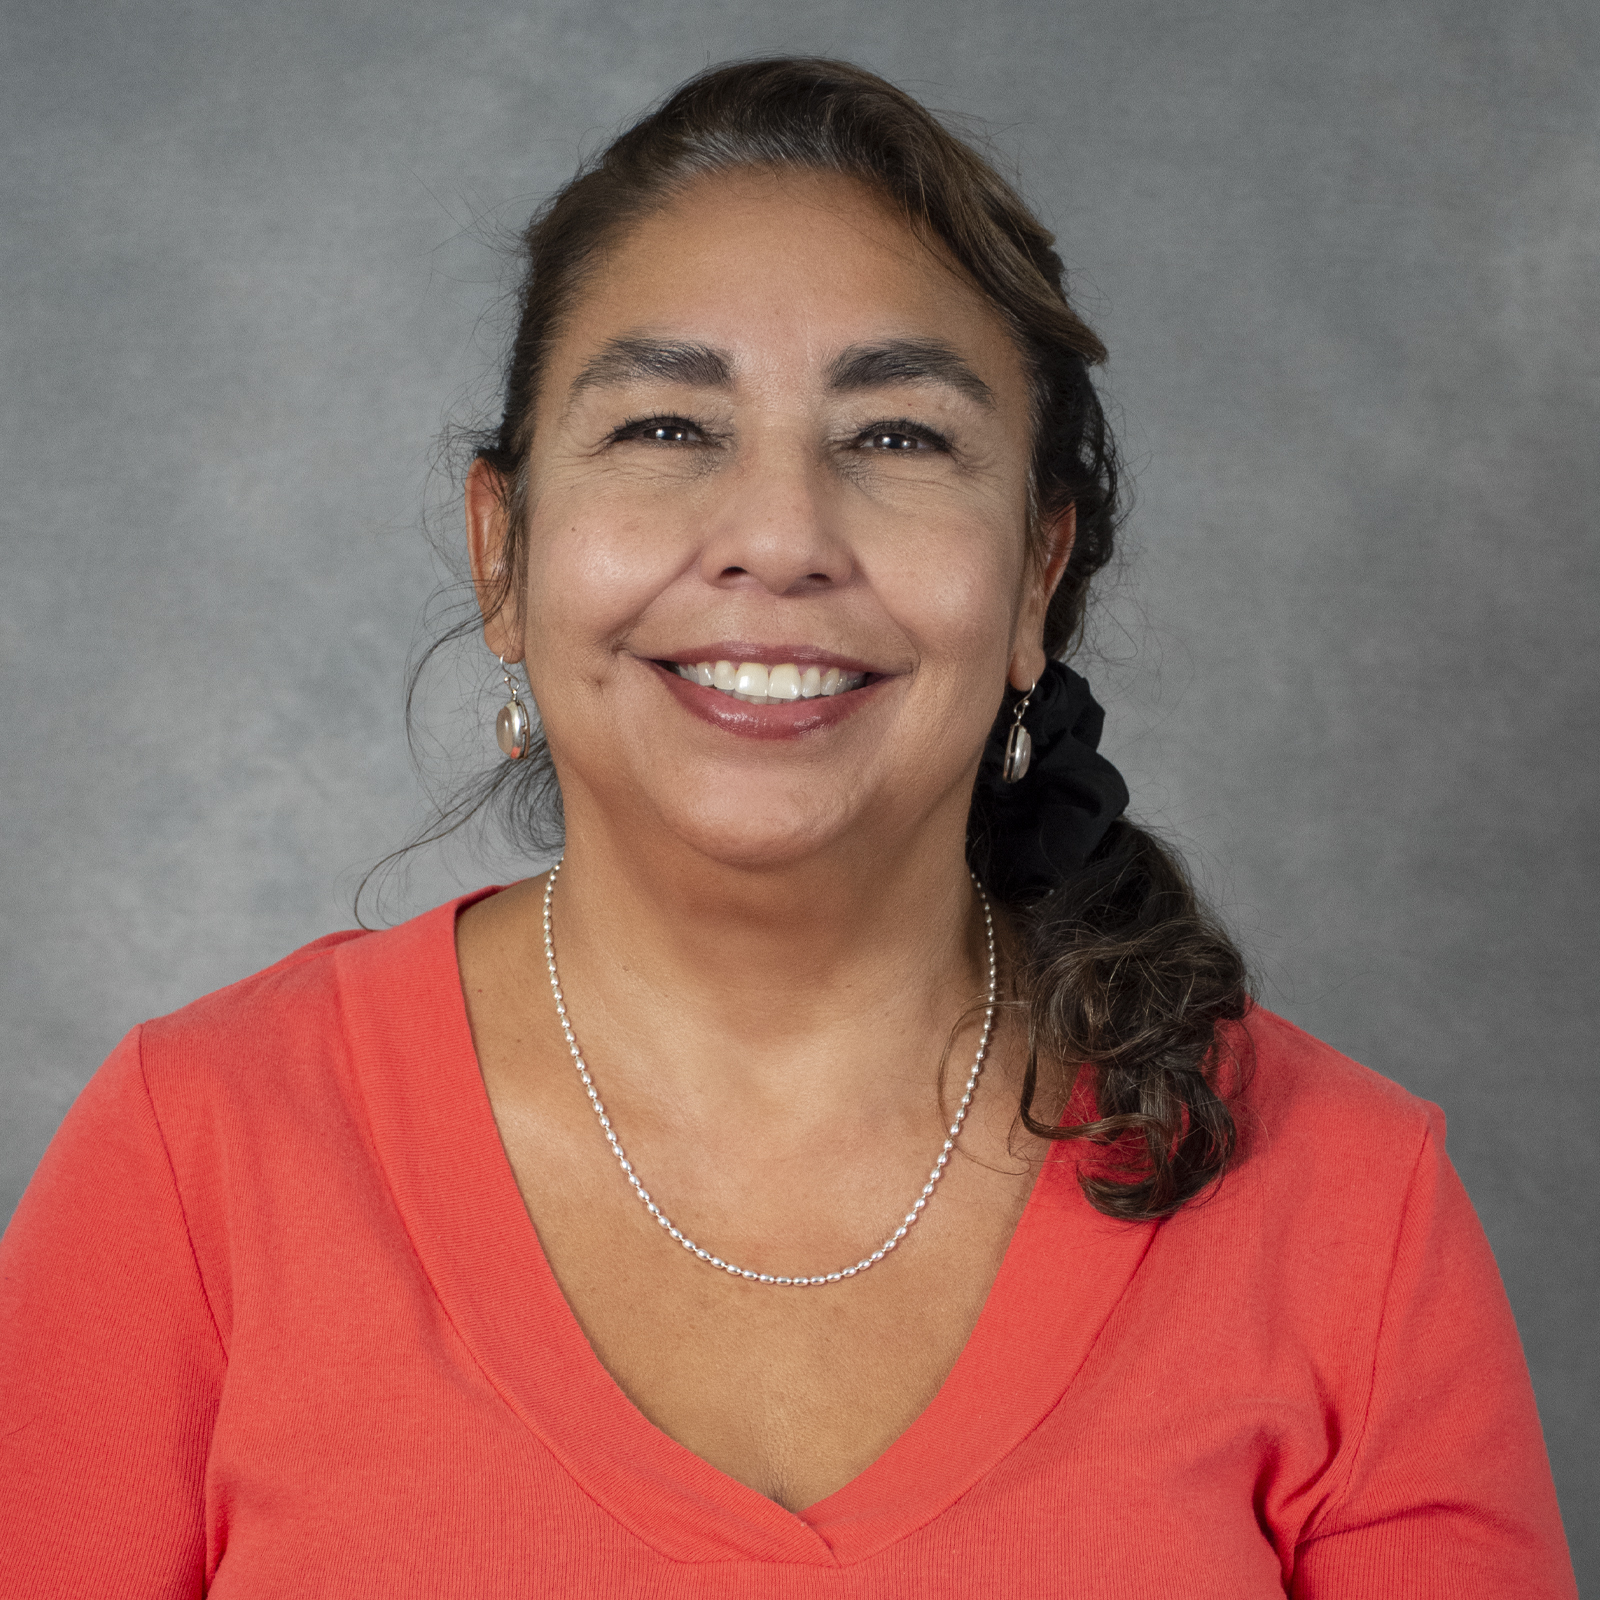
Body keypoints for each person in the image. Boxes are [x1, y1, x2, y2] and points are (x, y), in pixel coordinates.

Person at [0, 57, 1576, 1598]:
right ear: (503, 554)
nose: (777, 538)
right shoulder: (194, 1158)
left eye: (898, 438)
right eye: (667, 430)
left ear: (1035, 579)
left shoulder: (1353, 1207)